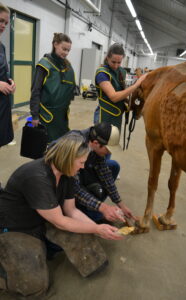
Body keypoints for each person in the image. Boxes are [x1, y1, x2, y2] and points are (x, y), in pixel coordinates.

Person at [0, 133, 123, 297]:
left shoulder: (69, 174)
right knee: (35, 286)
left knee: (84, 233)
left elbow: (71, 211)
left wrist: (97, 228)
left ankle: (87, 264)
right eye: (81, 162)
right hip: (17, 226)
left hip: (44, 217)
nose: (83, 167)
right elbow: (60, 222)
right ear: (67, 158)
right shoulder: (37, 177)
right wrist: (96, 228)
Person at [71, 122, 136, 223]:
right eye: (108, 149)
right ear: (96, 143)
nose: (109, 153)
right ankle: (88, 212)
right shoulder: (74, 147)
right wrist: (103, 208)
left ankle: (93, 204)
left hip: (83, 170)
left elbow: (105, 174)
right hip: (65, 182)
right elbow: (74, 188)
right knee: (80, 187)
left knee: (113, 166)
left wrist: (121, 205)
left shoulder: (94, 141)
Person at [30, 32, 76, 143]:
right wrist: (35, 115)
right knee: (46, 145)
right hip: (47, 114)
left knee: (60, 144)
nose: (66, 53)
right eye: (64, 49)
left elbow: (68, 84)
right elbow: (35, 91)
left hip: (62, 115)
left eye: (68, 50)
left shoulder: (67, 65)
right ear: (55, 44)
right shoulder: (44, 65)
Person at [94, 43, 147, 131]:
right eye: (113, 62)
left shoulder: (121, 72)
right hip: (104, 115)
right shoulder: (102, 73)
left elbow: (122, 91)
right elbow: (114, 97)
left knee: (114, 141)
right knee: (102, 142)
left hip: (117, 114)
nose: (116, 65)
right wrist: (137, 84)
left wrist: (131, 103)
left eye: (119, 62)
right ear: (107, 58)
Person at [0, 3, 16, 147]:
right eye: (0, 21)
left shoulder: (2, 47)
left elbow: (3, 71)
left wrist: (9, 81)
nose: (3, 25)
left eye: (5, 22)